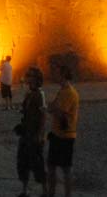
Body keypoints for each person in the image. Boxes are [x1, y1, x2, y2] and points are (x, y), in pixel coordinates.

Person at [46, 66, 79, 197]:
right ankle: (51, 193)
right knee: (51, 166)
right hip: (56, 133)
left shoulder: (69, 93)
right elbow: (54, 106)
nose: (55, 76)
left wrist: (52, 109)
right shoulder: (62, 91)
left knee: (66, 169)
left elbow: (60, 112)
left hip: (65, 135)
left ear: (64, 76)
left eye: (58, 74)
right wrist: (52, 108)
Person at [16, 66, 48, 197]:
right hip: (26, 132)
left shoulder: (39, 94)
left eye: (29, 76)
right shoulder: (29, 94)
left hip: (34, 134)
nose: (27, 78)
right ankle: (24, 190)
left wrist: (40, 134)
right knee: (23, 161)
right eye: (27, 75)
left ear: (36, 79)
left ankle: (45, 191)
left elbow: (43, 115)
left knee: (37, 162)